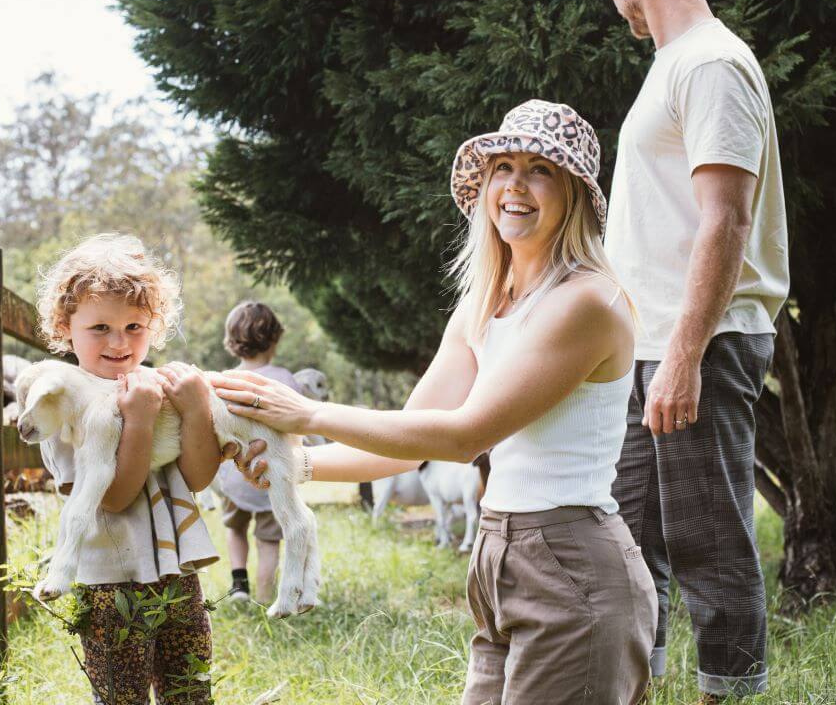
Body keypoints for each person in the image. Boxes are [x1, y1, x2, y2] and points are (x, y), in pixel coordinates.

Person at [213, 100, 658, 705]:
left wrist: (308, 416)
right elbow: (407, 439)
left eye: (540, 170)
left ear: (575, 193)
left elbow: (461, 436)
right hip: (497, 554)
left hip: (572, 563)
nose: (515, 185)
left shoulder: (586, 302)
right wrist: (300, 465)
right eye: (503, 167)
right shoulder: (485, 305)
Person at [578, 0, 790, 700]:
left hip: (697, 344)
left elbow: (726, 218)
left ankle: (728, 693)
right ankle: (637, 687)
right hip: (648, 347)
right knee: (629, 539)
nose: (615, 4)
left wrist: (684, 356)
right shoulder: (672, 65)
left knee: (709, 541)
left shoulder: (710, 63)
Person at [35, 234, 221, 705]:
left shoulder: (154, 388)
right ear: (65, 325)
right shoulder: (63, 402)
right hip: (111, 585)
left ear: (154, 326)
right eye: (100, 327)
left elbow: (196, 479)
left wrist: (196, 410)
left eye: (135, 326)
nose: (119, 343)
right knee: (122, 699)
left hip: (177, 575)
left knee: (191, 691)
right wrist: (138, 420)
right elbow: (114, 498)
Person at [214, 300, 301, 603]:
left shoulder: (223, 381)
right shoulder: (284, 379)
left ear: (232, 342)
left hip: (233, 475)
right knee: (268, 541)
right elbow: (296, 427)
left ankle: (239, 585)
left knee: (235, 529)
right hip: (270, 477)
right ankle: (265, 597)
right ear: (275, 338)